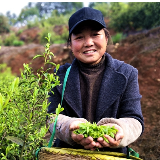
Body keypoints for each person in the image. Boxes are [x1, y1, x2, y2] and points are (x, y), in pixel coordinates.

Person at [47, 7, 144, 155]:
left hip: (113, 155)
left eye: (95, 35)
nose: (88, 43)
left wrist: (121, 129)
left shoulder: (127, 73)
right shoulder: (59, 75)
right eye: (79, 37)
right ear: (70, 43)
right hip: (68, 155)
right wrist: (69, 127)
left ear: (106, 38)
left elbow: (135, 119)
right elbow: (51, 116)